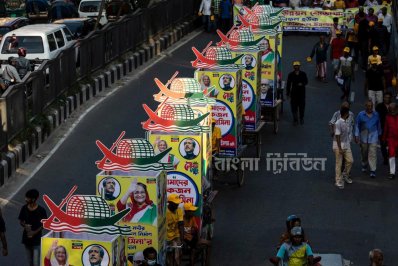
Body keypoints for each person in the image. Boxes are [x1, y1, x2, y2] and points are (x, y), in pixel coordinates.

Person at [18, 188, 48, 266]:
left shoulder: (41, 210)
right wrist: (25, 226)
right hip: (26, 239)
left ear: (34, 199)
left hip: (36, 240)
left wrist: (34, 232)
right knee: (30, 262)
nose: (26, 199)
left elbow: (44, 224)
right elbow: (21, 221)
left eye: (28, 198)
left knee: (36, 262)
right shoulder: (24, 208)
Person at [354, 100, 382, 178]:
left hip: (374, 136)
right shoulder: (360, 114)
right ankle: (364, 164)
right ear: (365, 106)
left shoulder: (376, 114)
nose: (370, 107)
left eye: (371, 106)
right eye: (368, 106)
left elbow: (378, 124)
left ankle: (373, 170)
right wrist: (356, 135)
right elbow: (357, 125)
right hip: (364, 136)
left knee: (373, 153)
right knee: (364, 152)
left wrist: (380, 134)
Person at [333, 106, 354, 189]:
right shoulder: (338, 123)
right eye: (348, 113)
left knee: (350, 161)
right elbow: (337, 136)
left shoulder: (346, 122)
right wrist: (340, 148)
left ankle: (345, 175)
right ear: (346, 114)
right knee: (339, 163)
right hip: (339, 146)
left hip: (346, 144)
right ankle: (338, 180)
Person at [286, 61, 308, 126]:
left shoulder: (303, 74)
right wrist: (287, 93)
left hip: (301, 94)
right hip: (294, 94)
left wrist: (302, 84)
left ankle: (301, 118)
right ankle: (295, 119)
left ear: (299, 66)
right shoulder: (291, 75)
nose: (296, 67)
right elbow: (288, 84)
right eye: (295, 66)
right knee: (293, 107)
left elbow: (306, 81)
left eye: (297, 65)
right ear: (293, 67)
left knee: (302, 107)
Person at [166, 194, 184, 266]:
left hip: (176, 236)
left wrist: (182, 239)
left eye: (178, 203)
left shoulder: (179, 210)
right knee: (170, 258)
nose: (177, 204)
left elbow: (181, 225)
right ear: (170, 203)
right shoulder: (165, 212)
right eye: (175, 203)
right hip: (167, 238)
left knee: (178, 256)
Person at [382, 103, 398, 179]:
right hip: (391, 139)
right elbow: (386, 129)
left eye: (393, 109)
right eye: (390, 110)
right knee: (391, 155)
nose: (392, 111)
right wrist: (384, 139)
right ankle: (392, 172)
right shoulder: (387, 117)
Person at [376, 92, 392, 165]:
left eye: (388, 97)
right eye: (386, 97)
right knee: (383, 144)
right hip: (382, 128)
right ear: (383, 98)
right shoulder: (379, 106)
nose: (387, 99)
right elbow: (376, 117)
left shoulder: (393, 106)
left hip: (391, 128)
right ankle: (385, 158)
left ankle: (390, 155)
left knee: (391, 143)